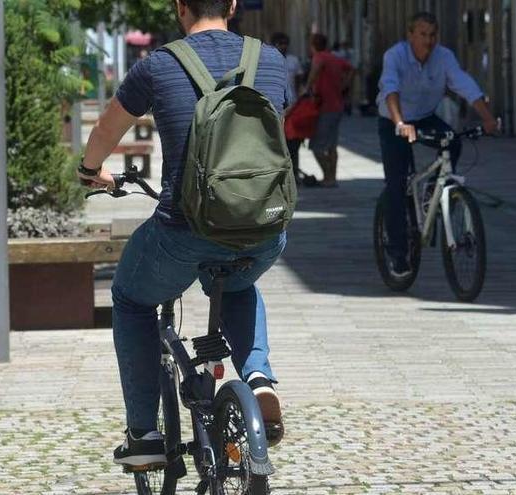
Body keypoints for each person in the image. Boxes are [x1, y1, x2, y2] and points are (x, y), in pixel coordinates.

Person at [76, 0, 288, 469]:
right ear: (232, 5)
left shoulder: (158, 65)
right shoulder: (271, 61)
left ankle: (145, 434)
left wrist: (91, 171)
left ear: (179, 7)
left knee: (131, 296)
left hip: (185, 229)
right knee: (237, 280)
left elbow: (106, 131)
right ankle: (258, 379)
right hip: (264, 228)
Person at [376, 12, 499, 277]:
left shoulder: (444, 57)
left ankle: (434, 192)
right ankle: (398, 253)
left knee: (454, 142)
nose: (428, 41)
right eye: (422, 34)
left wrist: (488, 118)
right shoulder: (395, 56)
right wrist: (399, 123)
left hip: (424, 117)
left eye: (432, 35)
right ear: (411, 35)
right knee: (397, 185)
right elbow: (390, 88)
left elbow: (464, 84)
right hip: (393, 120)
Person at [303, 33, 353, 188]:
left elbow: (316, 69)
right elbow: (352, 69)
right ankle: (332, 178)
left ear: (313, 46)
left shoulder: (320, 57)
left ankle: (328, 176)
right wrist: (345, 84)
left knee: (316, 146)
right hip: (337, 106)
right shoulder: (334, 57)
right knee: (332, 145)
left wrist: (308, 87)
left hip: (325, 106)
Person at [271, 31, 308, 183]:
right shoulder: (270, 59)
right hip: (276, 105)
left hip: (293, 105)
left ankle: (295, 173)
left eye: (285, 43)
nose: (283, 46)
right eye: (280, 43)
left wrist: (300, 99)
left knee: (294, 141)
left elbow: (300, 81)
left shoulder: (293, 61)